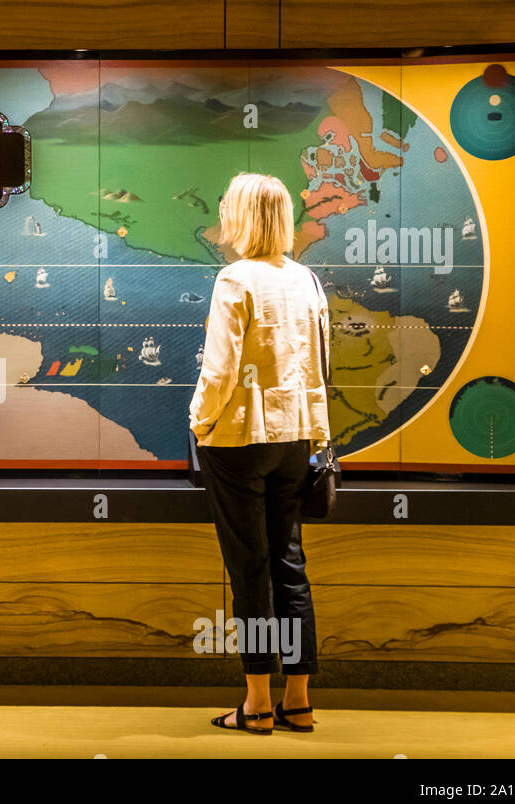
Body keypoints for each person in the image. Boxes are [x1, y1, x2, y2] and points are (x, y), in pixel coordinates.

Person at [188, 172, 331, 735]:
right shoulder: (306, 279)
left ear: (241, 216)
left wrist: (200, 423)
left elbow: (219, 370)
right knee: (289, 565)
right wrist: (315, 433)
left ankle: (256, 703)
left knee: (251, 571)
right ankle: (298, 700)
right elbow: (318, 367)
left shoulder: (234, 279)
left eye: (227, 206)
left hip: (240, 441)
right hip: (296, 439)